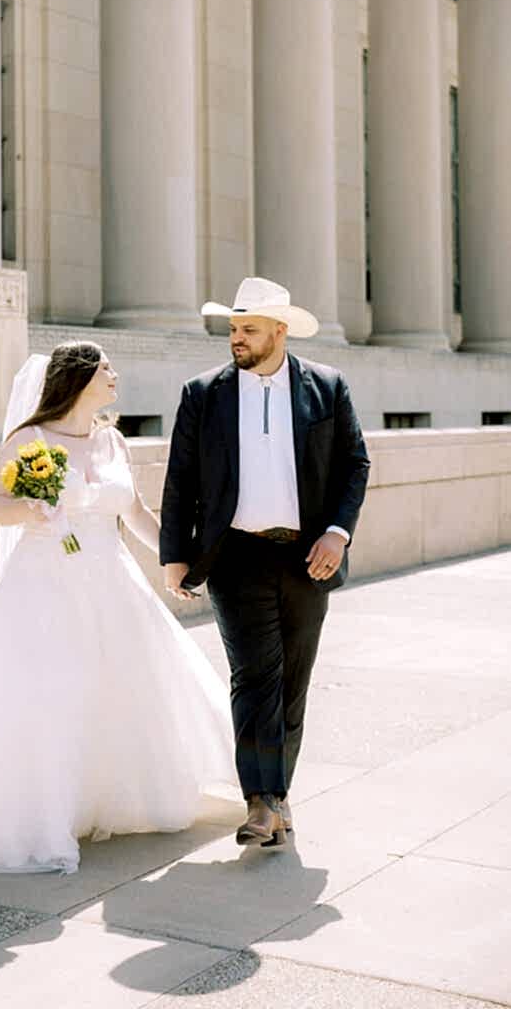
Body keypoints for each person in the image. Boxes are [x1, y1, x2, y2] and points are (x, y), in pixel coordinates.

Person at [0, 342, 237, 875]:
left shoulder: (111, 440)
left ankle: (102, 798)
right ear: (79, 378)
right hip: (44, 582)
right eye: (106, 369)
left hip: (111, 579)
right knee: (50, 693)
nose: (115, 375)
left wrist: (180, 563)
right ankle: (39, 811)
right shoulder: (29, 439)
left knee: (120, 687)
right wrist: (31, 509)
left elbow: (134, 511)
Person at [160, 278, 370, 849]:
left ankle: (278, 797)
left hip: (309, 557)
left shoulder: (328, 387)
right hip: (235, 555)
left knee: (292, 683)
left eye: (248, 329)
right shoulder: (202, 393)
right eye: (232, 328)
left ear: (279, 331)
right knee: (254, 677)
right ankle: (260, 801)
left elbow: (356, 464)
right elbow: (179, 480)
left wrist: (337, 533)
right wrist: (175, 555)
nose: (237, 338)